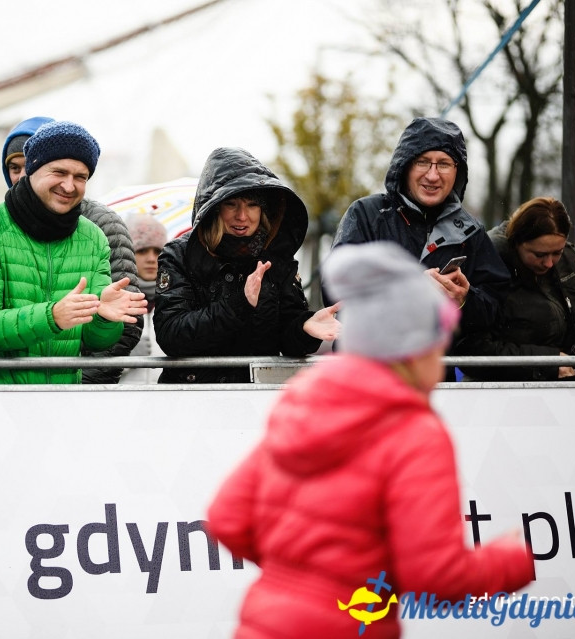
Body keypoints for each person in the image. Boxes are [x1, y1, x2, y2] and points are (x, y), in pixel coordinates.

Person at [206, 241, 535, 639]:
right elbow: (436, 577)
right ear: (414, 352)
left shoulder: (303, 402)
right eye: (440, 342)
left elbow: (227, 517)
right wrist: (513, 561)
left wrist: (297, 573)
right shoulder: (415, 433)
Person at [0, 120, 147, 384]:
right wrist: (52, 317)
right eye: (59, 172)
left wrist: (104, 318)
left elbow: (96, 341)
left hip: (60, 402)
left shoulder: (93, 237)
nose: (69, 186)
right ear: (32, 169)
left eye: (81, 177)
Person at [153, 146, 340, 384]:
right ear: (214, 207)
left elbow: (287, 335)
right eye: (232, 204)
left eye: (252, 204)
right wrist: (238, 305)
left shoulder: (276, 257)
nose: (243, 216)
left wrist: (305, 327)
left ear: (264, 210)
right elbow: (172, 335)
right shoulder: (179, 254)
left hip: (256, 399)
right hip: (192, 397)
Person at [329, 117, 510, 345]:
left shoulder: (470, 230)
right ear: (404, 165)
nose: (433, 175)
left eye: (444, 164)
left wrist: (465, 300)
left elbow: (497, 308)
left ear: (458, 172)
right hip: (367, 366)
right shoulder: (366, 214)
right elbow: (335, 290)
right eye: (423, 162)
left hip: (433, 372)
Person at [455, 196, 575, 380]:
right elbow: (473, 349)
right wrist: (548, 363)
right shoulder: (487, 265)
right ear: (516, 242)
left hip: (568, 378)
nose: (549, 263)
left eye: (557, 253)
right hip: (499, 392)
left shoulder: (568, 259)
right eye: (539, 254)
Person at [119, 213, 168, 384]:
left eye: (158, 251)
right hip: (124, 404)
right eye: (142, 250)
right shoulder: (113, 300)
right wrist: (123, 355)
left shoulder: (178, 298)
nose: (151, 259)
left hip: (169, 403)